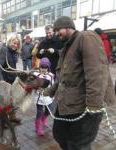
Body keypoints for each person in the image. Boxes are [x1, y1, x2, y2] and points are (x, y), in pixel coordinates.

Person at [43, 16, 116, 150]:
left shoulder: (86, 37)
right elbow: (62, 78)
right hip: (66, 103)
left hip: (84, 106)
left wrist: (94, 105)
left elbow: (97, 73)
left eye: (58, 29)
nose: (56, 33)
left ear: (68, 26)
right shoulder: (66, 48)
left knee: (78, 144)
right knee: (59, 135)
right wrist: (48, 91)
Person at [0, 35, 21, 124]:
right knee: (3, 101)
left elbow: (12, 67)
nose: (15, 45)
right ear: (9, 41)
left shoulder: (14, 52)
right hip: (4, 80)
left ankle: (12, 116)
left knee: (12, 99)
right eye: (14, 43)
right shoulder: (4, 50)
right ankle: (1, 121)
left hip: (11, 79)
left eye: (17, 44)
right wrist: (0, 81)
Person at [32, 57, 56, 136]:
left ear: (48, 67)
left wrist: (53, 94)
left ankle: (43, 120)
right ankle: (38, 127)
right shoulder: (35, 74)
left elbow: (53, 85)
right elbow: (31, 85)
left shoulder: (51, 75)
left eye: (46, 67)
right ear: (40, 66)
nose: (44, 69)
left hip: (48, 97)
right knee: (39, 112)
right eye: (42, 67)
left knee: (49, 110)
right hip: (39, 98)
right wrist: (35, 88)